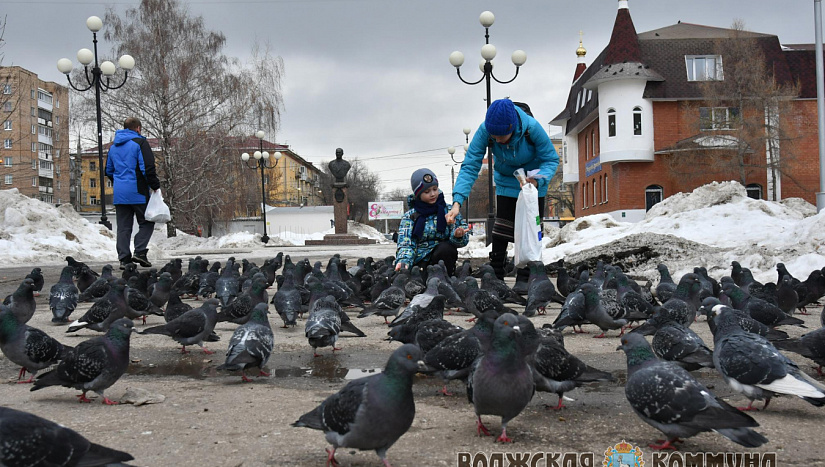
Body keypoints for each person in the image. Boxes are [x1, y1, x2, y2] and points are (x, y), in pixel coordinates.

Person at [445, 99, 559, 293]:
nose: (496, 141)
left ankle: (525, 277)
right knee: (502, 227)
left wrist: (537, 180)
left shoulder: (532, 128)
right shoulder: (485, 131)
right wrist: (457, 202)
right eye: (493, 136)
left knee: (531, 228)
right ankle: (495, 277)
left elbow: (551, 159)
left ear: (512, 128)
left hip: (533, 181)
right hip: (507, 179)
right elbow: (470, 165)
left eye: (501, 136)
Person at [105, 117, 161, 270]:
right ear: (137, 128)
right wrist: (155, 185)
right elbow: (148, 167)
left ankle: (124, 259)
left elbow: (108, 171)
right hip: (137, 190)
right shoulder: (140, 143)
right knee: (147, 221)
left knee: (123, 227)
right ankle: (140, 251)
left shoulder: (113, 147)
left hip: (119, 193)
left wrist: (119, 182)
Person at [395, 168, 468, 276]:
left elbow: (461, 241)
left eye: (435, 189)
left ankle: (446, 277)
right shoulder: (411, 216)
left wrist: (458, 235)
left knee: (446, 248)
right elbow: (406, 243)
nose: (433, 194)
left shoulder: (448, 210)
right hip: (420, 261)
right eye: (427, 192)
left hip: (441, 259)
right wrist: (404, 261)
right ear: (418, 194)